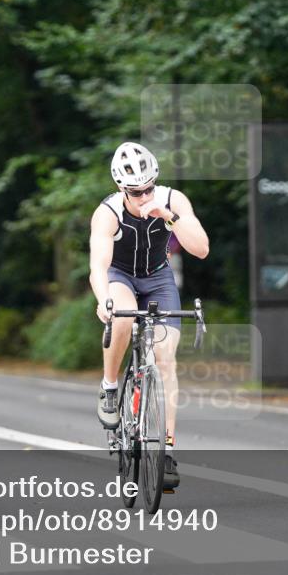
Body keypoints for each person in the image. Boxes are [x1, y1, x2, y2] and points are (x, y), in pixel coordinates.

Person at [89, 141, 209, 491]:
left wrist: (167, 216)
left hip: (158, 278)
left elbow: (200, 248)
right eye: (136, 192)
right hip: (120, 276)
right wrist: (103, 300)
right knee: (123, 319)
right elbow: (98, 265)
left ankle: (166, 450)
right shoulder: (108, 213)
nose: (144, 197)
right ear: (121, 189)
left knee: (165, 358)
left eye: (149, 189)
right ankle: (110, 387)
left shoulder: (173, 200)